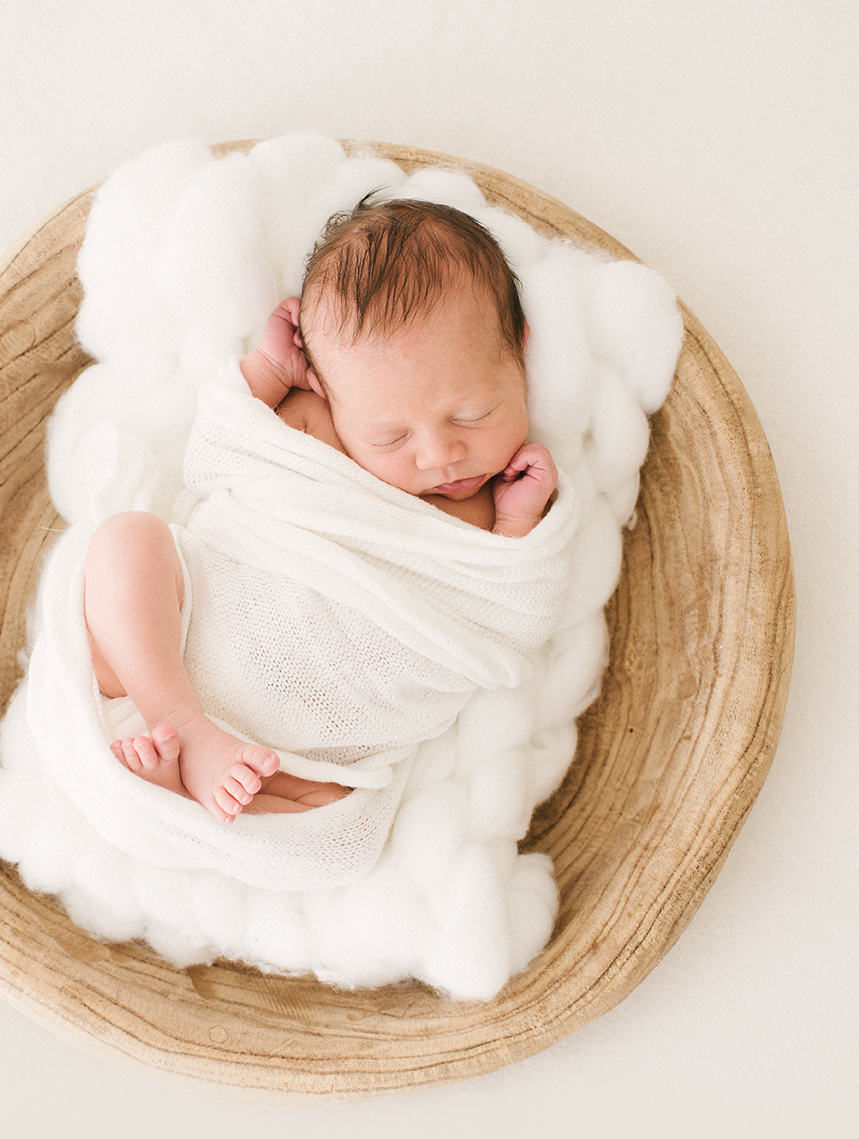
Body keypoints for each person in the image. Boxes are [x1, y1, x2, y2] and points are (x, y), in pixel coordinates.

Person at [81, 199, 559, 824]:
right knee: (127, 544)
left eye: (471, 415)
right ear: (328, 392)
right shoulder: (311, 426)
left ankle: (186, 781)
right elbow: (216, 454)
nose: (440, 455)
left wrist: (519, 528)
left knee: (340, 811)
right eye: (391, 437)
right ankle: (179, 723)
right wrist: (266, 372)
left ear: (517, 349)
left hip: (306, 746)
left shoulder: (499, 510)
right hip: (183, 636)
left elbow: (513, 621)